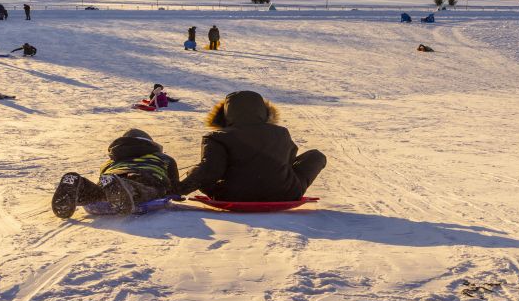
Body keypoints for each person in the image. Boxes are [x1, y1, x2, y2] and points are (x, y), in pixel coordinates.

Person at [175, 91, 326, 201]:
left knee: (195, 170)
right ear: (264, 111)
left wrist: (179, 190)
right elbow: (288, 160)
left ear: (226, 114)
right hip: (284, 193)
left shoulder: (216, 137)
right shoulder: (281, 132)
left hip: (232, 195)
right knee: (316, 156)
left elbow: (210, 171)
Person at [51, 128, 180, 218]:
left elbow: (103, 177)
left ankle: (81, 187)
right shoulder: (162, 157)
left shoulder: (111, 160)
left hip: (114, 174)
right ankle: (123, 188)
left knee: (100, 193)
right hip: (146, 175)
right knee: (144, 189)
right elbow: (174, 185)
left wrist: (108, 181)